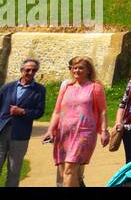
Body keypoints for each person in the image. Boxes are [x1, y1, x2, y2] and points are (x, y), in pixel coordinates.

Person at [43, 56, 108, 188]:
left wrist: (104, 131)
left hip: (83, 133)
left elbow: (103, 111)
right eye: (74, 67)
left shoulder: (95, 87)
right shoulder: (66, 87)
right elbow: (57, 111)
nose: (76, 70)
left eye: (80, 68)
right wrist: (50, 130)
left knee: (69, 171)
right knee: (65, 174)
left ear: (88, 70)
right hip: (63, 133)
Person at [0, 58, 46, 187]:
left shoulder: (40, 90)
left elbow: (39, 112)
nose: (31, 72)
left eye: (34, 70)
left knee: (14, 170)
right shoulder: (7, 87)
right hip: (2, 131)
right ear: (21, 70)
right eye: (28, 70)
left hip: (21, 134)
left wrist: (23, 111)